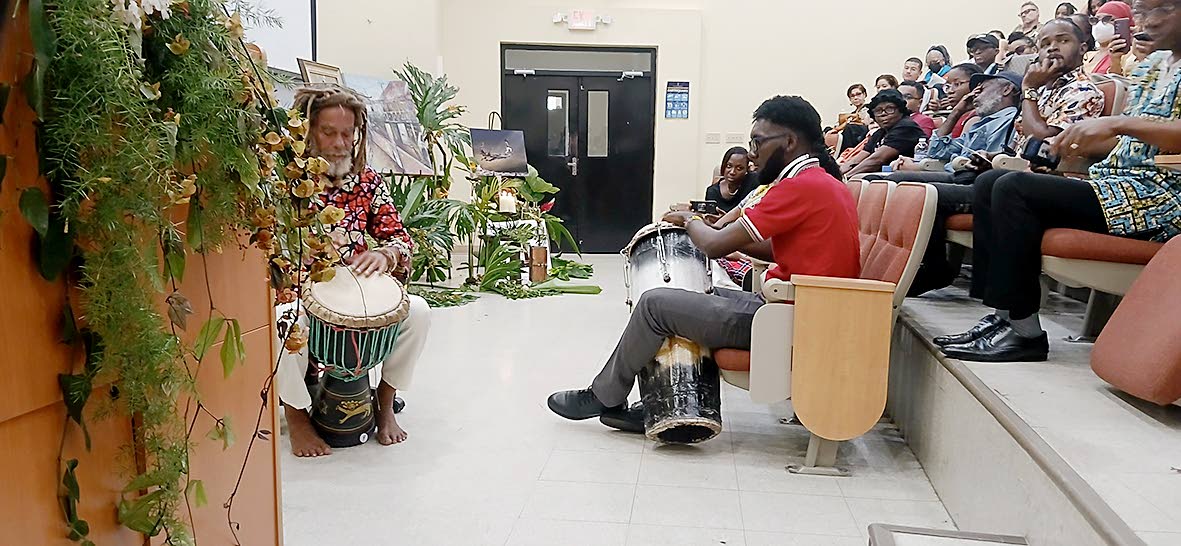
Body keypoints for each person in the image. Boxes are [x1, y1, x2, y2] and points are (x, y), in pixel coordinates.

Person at [546, 95, 860, 427]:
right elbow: (778, 250)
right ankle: (663, 405)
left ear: (790, 141)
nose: (751, 153)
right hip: (802, 308)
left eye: (757, 142)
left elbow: (711, 247)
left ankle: (603, 396)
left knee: (655, 304)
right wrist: (724, 234)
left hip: (791, 318)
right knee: (698, 293)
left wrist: (689, 220)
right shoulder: (824, 183)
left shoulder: (800, 187)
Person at [938, 0, 1181, 362]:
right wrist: (1077, 138)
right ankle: (1003, 318)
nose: (1145, 22)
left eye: (1156, 10)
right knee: (993, 181)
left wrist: (1116, 123)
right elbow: (1127, 140)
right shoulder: (1155, 65)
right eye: (1140, 12)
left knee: (1013, 188)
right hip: (1118, 183)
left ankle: (1025, 332)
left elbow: (1150, 133)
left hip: (1160, 196)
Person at [276, 84, 433, 457]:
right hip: (300, 294)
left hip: (357, 294)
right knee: (284, 322)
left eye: (348, 133)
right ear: (308, 129)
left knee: (420, 313)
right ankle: (297, 417)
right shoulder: (285, 182)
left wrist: (387, 256)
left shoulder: (367, 182)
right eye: (328, 132)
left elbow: (400, 238)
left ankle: (384, 403)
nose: (339, 142)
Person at [841, 89, 926, 177]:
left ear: (900, 110)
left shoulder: (907, 127)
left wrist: (846, 178)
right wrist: (837, 175)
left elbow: (876, 160)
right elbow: (855, 161)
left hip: (906, 179)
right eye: (878, 111)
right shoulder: (880, 133)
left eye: (889, 109)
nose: (883, 114)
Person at [937, 63, 986, 138]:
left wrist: (955, 113)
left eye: (957, 84)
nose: (950, 91)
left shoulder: (976, 118)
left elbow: (937, 148)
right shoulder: (959, 114)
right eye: (948, 86)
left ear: (976, 85)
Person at [1085, 1, 1135, 74]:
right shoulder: (1088, 56)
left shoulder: (1132, 55)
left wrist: (1116, 62)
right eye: (1096, 20)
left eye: (1108, 19)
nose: (1100, 24)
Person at [706, 147, 760, 212]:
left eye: (739, 168)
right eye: (729, 166)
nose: (732, 172)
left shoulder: (754, 182)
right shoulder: (712, 191)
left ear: (747, 169)